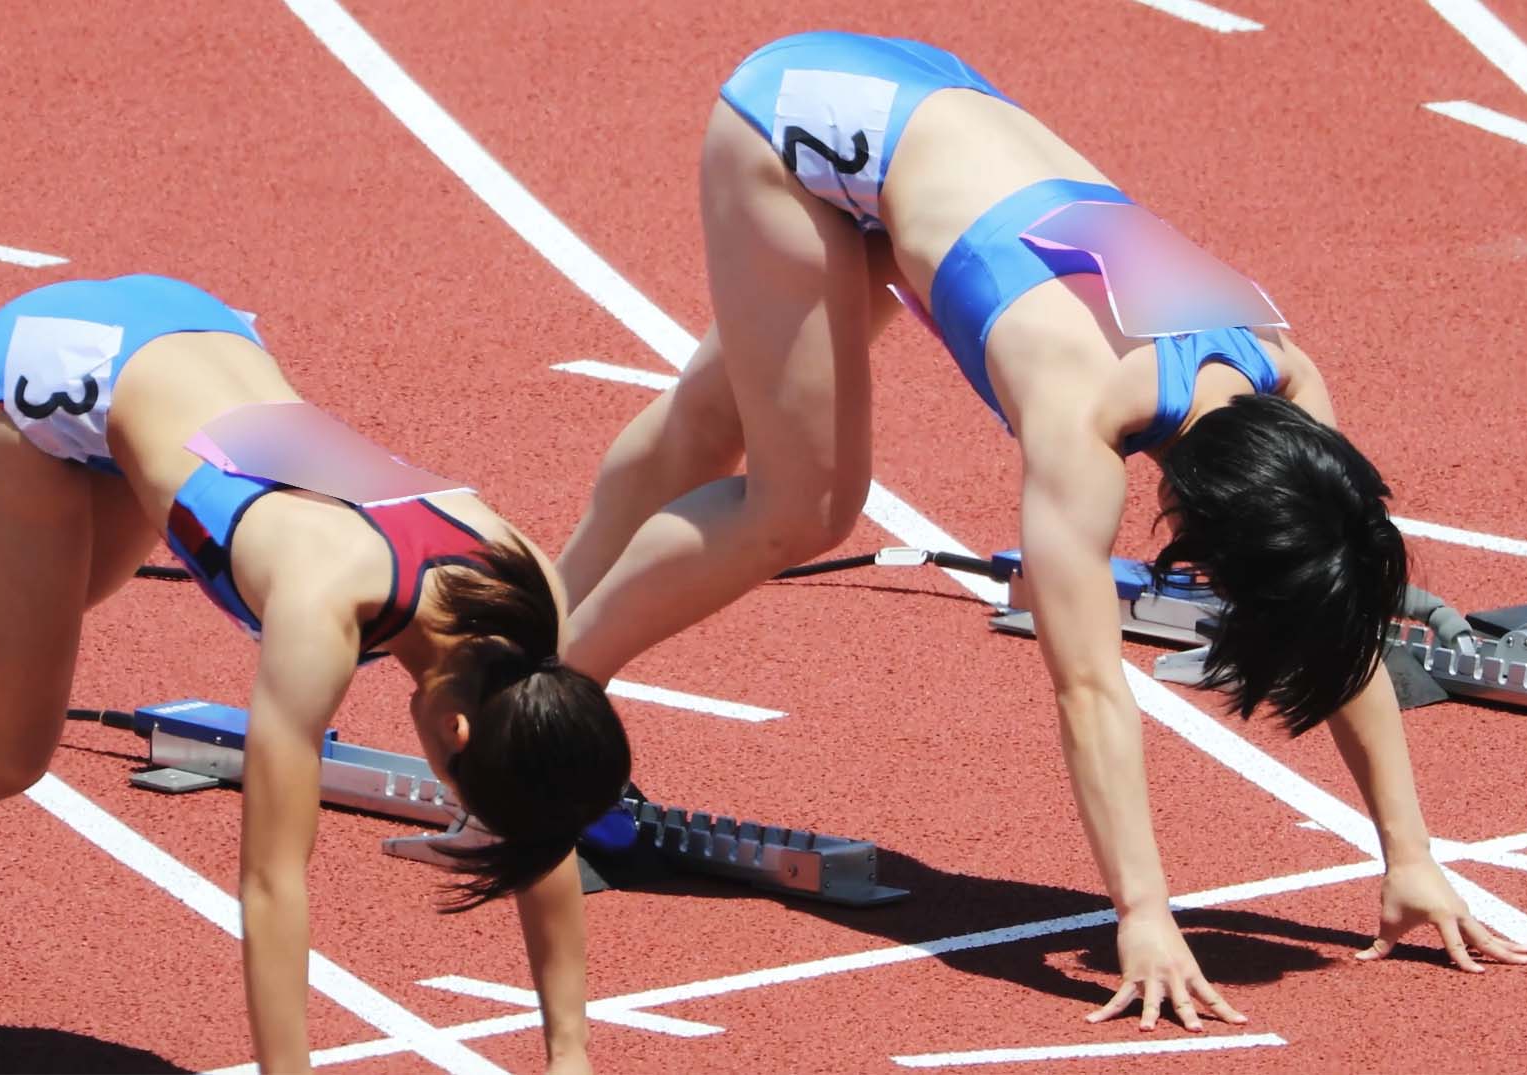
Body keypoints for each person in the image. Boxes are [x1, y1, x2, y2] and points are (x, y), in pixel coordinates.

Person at [554, 31, 1525, 1031]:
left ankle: (543, 602)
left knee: (717, 420)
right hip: (800, 128)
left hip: (929, 104)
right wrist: (1141, 911)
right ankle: (543, 706)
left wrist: (1409, 855)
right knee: (802, 504)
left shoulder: (1287, 378)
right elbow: (1089, 683)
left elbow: (1331, 594)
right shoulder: (1082, 413)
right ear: (1193, 530)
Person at [0, 273, 628, 1073]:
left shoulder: (526, 591)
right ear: (454, 732)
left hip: (185, 332)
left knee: (15, 624)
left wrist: (570, 1052)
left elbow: (538, 808)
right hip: (53, 370)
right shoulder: (320, 613)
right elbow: (275, 880)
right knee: (2, 749)